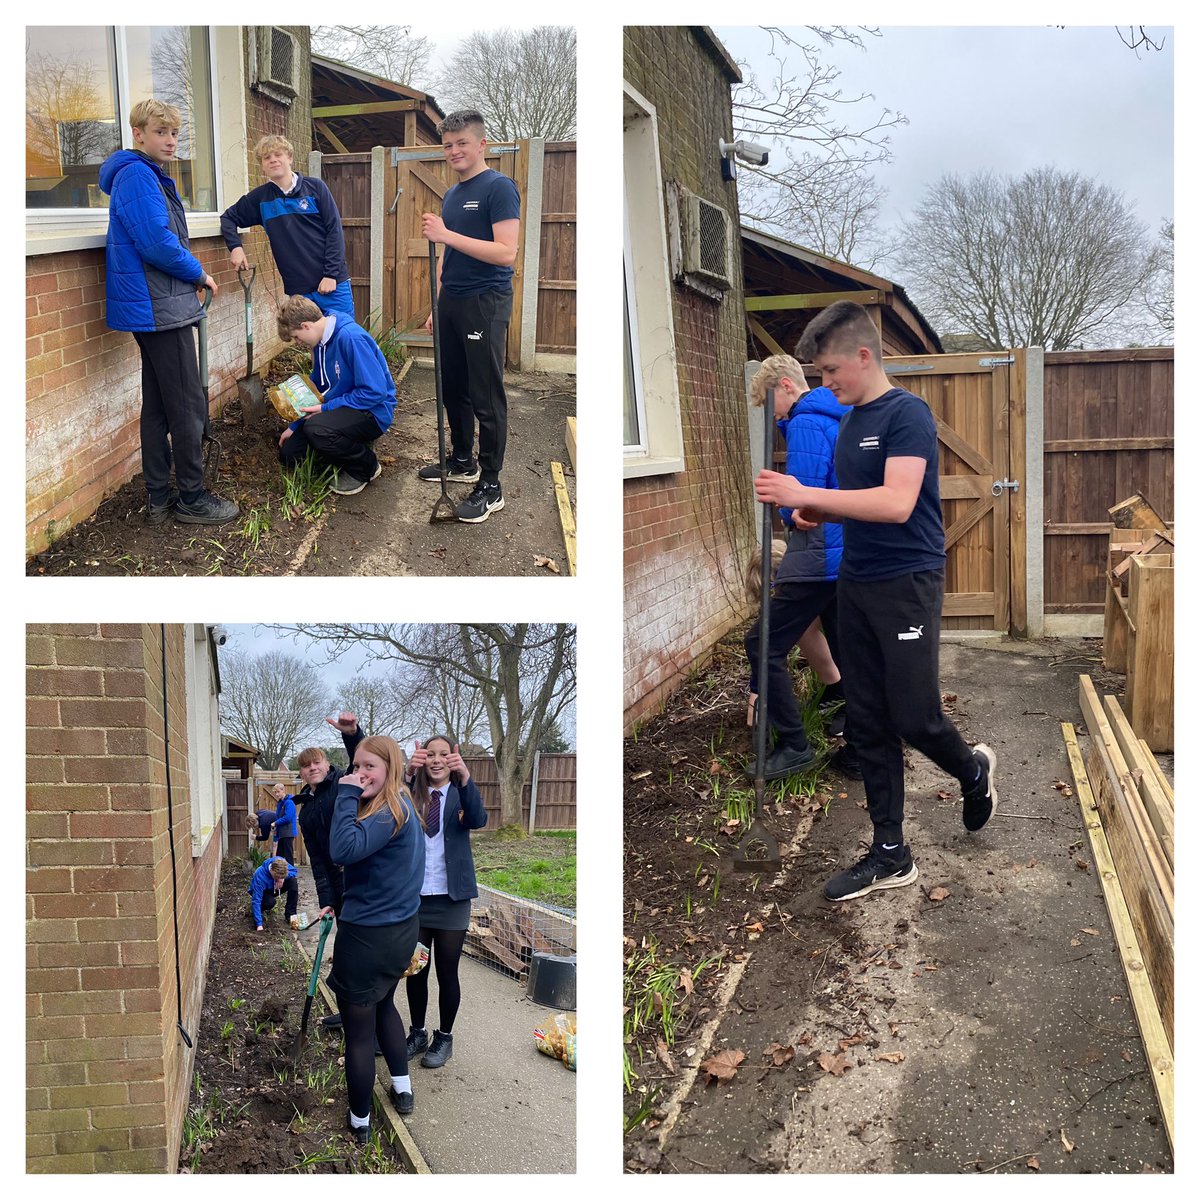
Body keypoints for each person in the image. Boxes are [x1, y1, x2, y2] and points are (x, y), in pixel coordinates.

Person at [755, 301, 998, 903]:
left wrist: (806, 492)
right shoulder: (846, 422)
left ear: (863, 356)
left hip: (906, 582)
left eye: (831, 369)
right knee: (866, 721)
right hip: (856, 581)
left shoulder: (906, 414)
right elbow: (856, 502)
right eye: (818, 372)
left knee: (915, 717)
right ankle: (891, 852)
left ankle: (973, 771)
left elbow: (895, 503)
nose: (824, 381)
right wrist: (818, 511)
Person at [98, 98, 238, 526]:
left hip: (156, 303)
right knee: (188, 405)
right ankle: (192, 497)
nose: (171, 140)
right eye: (161, 132)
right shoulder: (138, 175)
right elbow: (157, 243)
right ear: (138, 134)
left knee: (159, 405)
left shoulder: (142, 174)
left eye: (175, 133)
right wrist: (198, 273)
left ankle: (159, 497)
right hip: (159, 307)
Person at [744, 356, 855, 780]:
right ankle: (858, 743)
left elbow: (803, 504)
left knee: (762, 643)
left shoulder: (806, 421)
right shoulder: (838, 415)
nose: (773, 417)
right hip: (843, 552)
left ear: (787, 386)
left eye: (769, 403)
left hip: (818, 554)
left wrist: (784, 509)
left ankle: (793, 745)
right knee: (846, 646)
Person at [418, 109, 521, 524]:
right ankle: (463, 461)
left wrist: (446, 234)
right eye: (448, 145)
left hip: (485, 300)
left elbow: (506, 252)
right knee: (453, 387)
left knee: (485, 394)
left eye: (462, 143)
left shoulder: (499, 187)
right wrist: (437, 302)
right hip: (453, 301)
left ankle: (491, 485)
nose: (454, 151)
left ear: (482, 145)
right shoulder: (452, 194)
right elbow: (448, 253)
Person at [327, 737, 424, 1143]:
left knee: (359, 1034)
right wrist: (358, 745)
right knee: (384, 1004)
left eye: (369, 767)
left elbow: (341, 848)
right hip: (399, 933)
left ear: (391, 768)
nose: (359, 773)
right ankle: (402, 1088)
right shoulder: (402, 804)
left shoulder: (386, 813)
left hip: (367, 938)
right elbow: (377, 756)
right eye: (355, 766)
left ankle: (360, 1122)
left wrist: (346, 793)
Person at [403, 737, 488, 1068]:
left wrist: (465, 778)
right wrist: (407, 775)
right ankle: (417, 1033)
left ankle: (445, 1037)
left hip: (452, 899)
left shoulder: (461, 793)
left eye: (443, 754)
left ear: (453, 759)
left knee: (447, 972)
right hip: (417, 899)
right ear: (422, 760)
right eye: (430, 754)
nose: (436, 760)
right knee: (416, 970)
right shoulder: (412, 794)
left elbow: (477, 819)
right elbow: (390, 811)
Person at [220, 135, 355, 319]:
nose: (273, 160)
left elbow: (335, 232)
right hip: (299, 292)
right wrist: (235, 247)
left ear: (289, 158)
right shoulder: (260, 199)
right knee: (308, 337)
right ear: (262, 166)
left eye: (278, 154)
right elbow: (228, 217)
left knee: (343, 334)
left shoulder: (315, 188)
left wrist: (330, 275)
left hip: (332, 284)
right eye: (267, 157)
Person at [275, 296, 396, 496]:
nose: (298, 342)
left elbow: (375, 392)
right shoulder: (320, 342)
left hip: (371, 411)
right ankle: (345, 445)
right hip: (340, 406)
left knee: (317, 430)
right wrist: (295, 425)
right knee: (290, 454)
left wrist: (325, 409)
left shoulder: (350, 338)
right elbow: (317, 386)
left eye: (296, 337)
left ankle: (366, 467)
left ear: (306, 326)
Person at [295, 714, 366, 1031]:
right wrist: (326, 900)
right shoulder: (306, 810)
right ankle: (348, 1012)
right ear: (301, 772)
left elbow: (361, 763)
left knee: (361, 951)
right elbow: (317, 861)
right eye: (306, 765)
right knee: (345, 950)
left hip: (360, 877)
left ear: (327, 764)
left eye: (317, 762)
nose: (312, 768)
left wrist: (351, 735)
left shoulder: (343, 784)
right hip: (337, 884)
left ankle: (369, 1022)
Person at [247, 856, 298, 931]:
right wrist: (259, 925)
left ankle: (290, 915)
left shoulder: (281, 862)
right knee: (270, 902)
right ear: (271, 869)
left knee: (293, 882)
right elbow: (256, 900)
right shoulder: (260, 876)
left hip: (276, 886)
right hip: (264, 892)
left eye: (280, 876)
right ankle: (257, 912)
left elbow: (294, 871)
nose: (278, 878)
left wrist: (282, 879)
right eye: (276, 876)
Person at [271, 783, 297, 864]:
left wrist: (275, 823)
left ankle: (291, 872)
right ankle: (279, 871)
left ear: (283, 790)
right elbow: (278, 817)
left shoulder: (289, 802)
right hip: (282, 833)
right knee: (279, 857)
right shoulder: (280, 803)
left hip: (288, 832)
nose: (276, 794)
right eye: (275, 792)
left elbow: (288, 818)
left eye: (278, 792)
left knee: (288, 856)